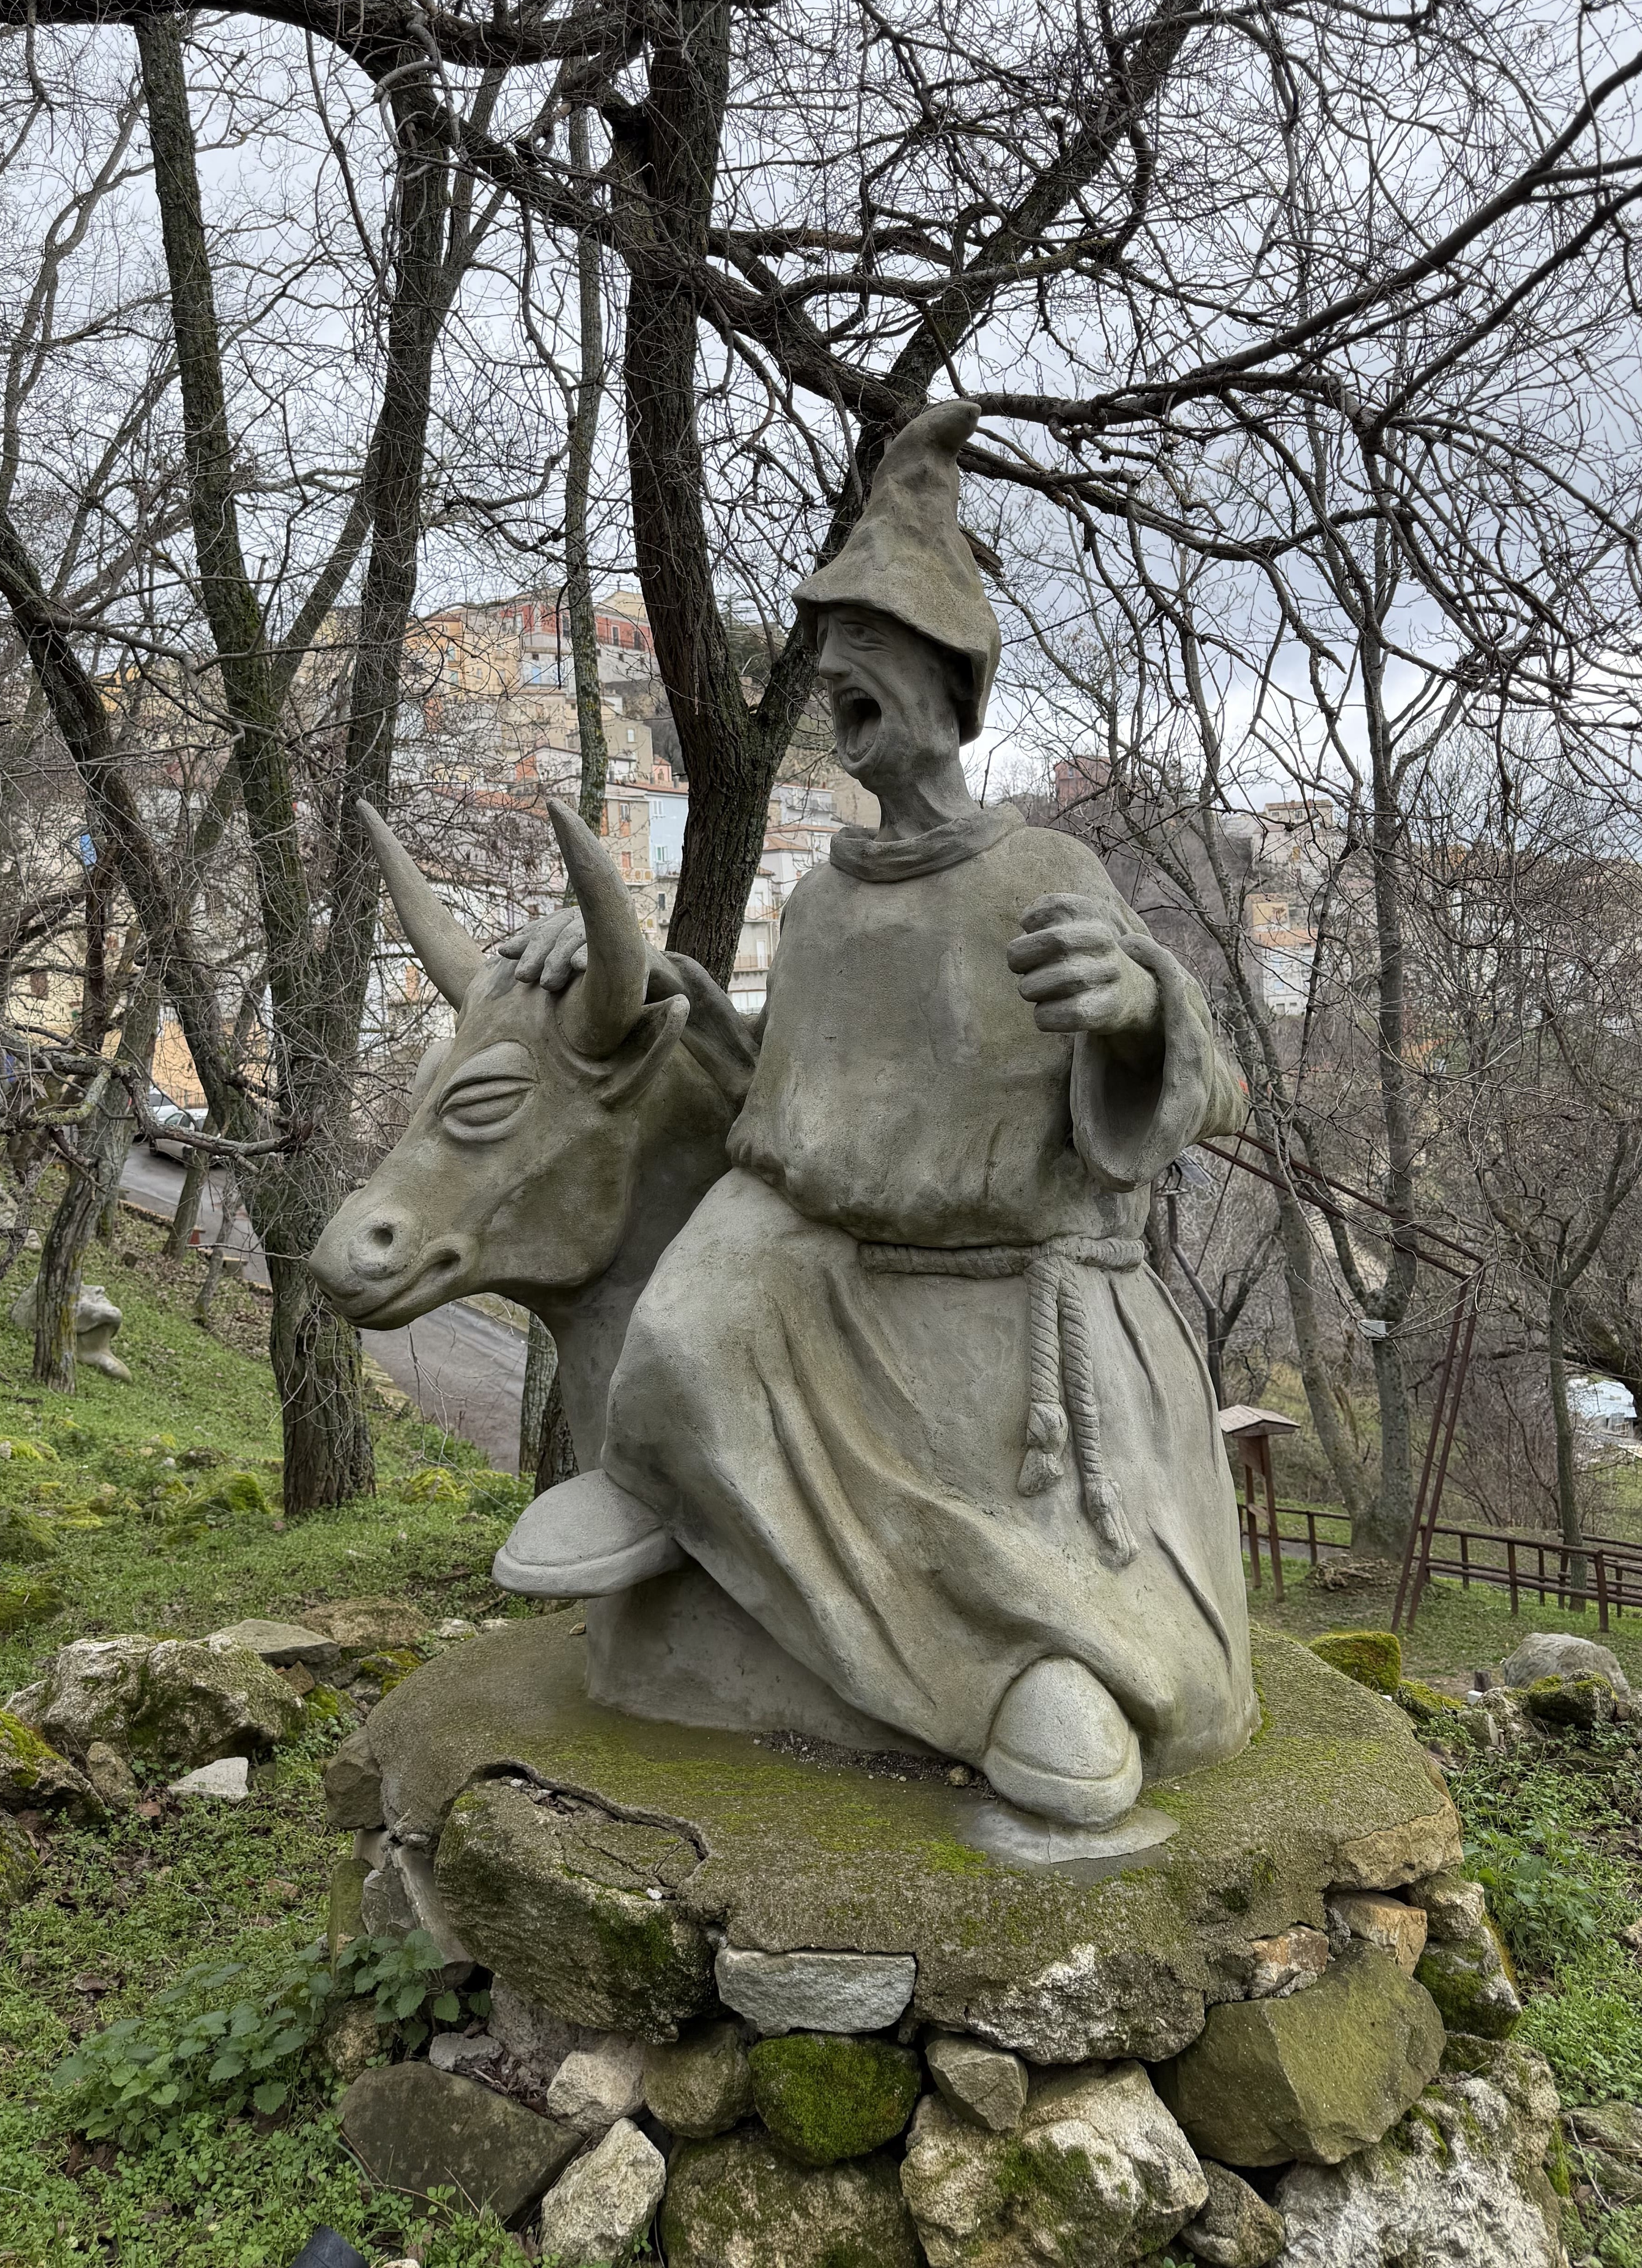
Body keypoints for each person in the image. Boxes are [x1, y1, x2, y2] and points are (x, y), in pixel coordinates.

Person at [495, 400, 1255, 1828]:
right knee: (706, 1284)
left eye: (877, 652)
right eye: (832, 656)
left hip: (1009, 1313)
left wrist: (1142, 1005)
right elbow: (776, 1087)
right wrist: (645, 983)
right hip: (822, 1282)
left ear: (948, 683)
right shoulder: (825, 899)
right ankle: (668, 1482)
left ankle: (1046, 1667)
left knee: (1001, 1531)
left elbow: (1197, 1088)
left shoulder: (1041, 866)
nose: (840, 676)